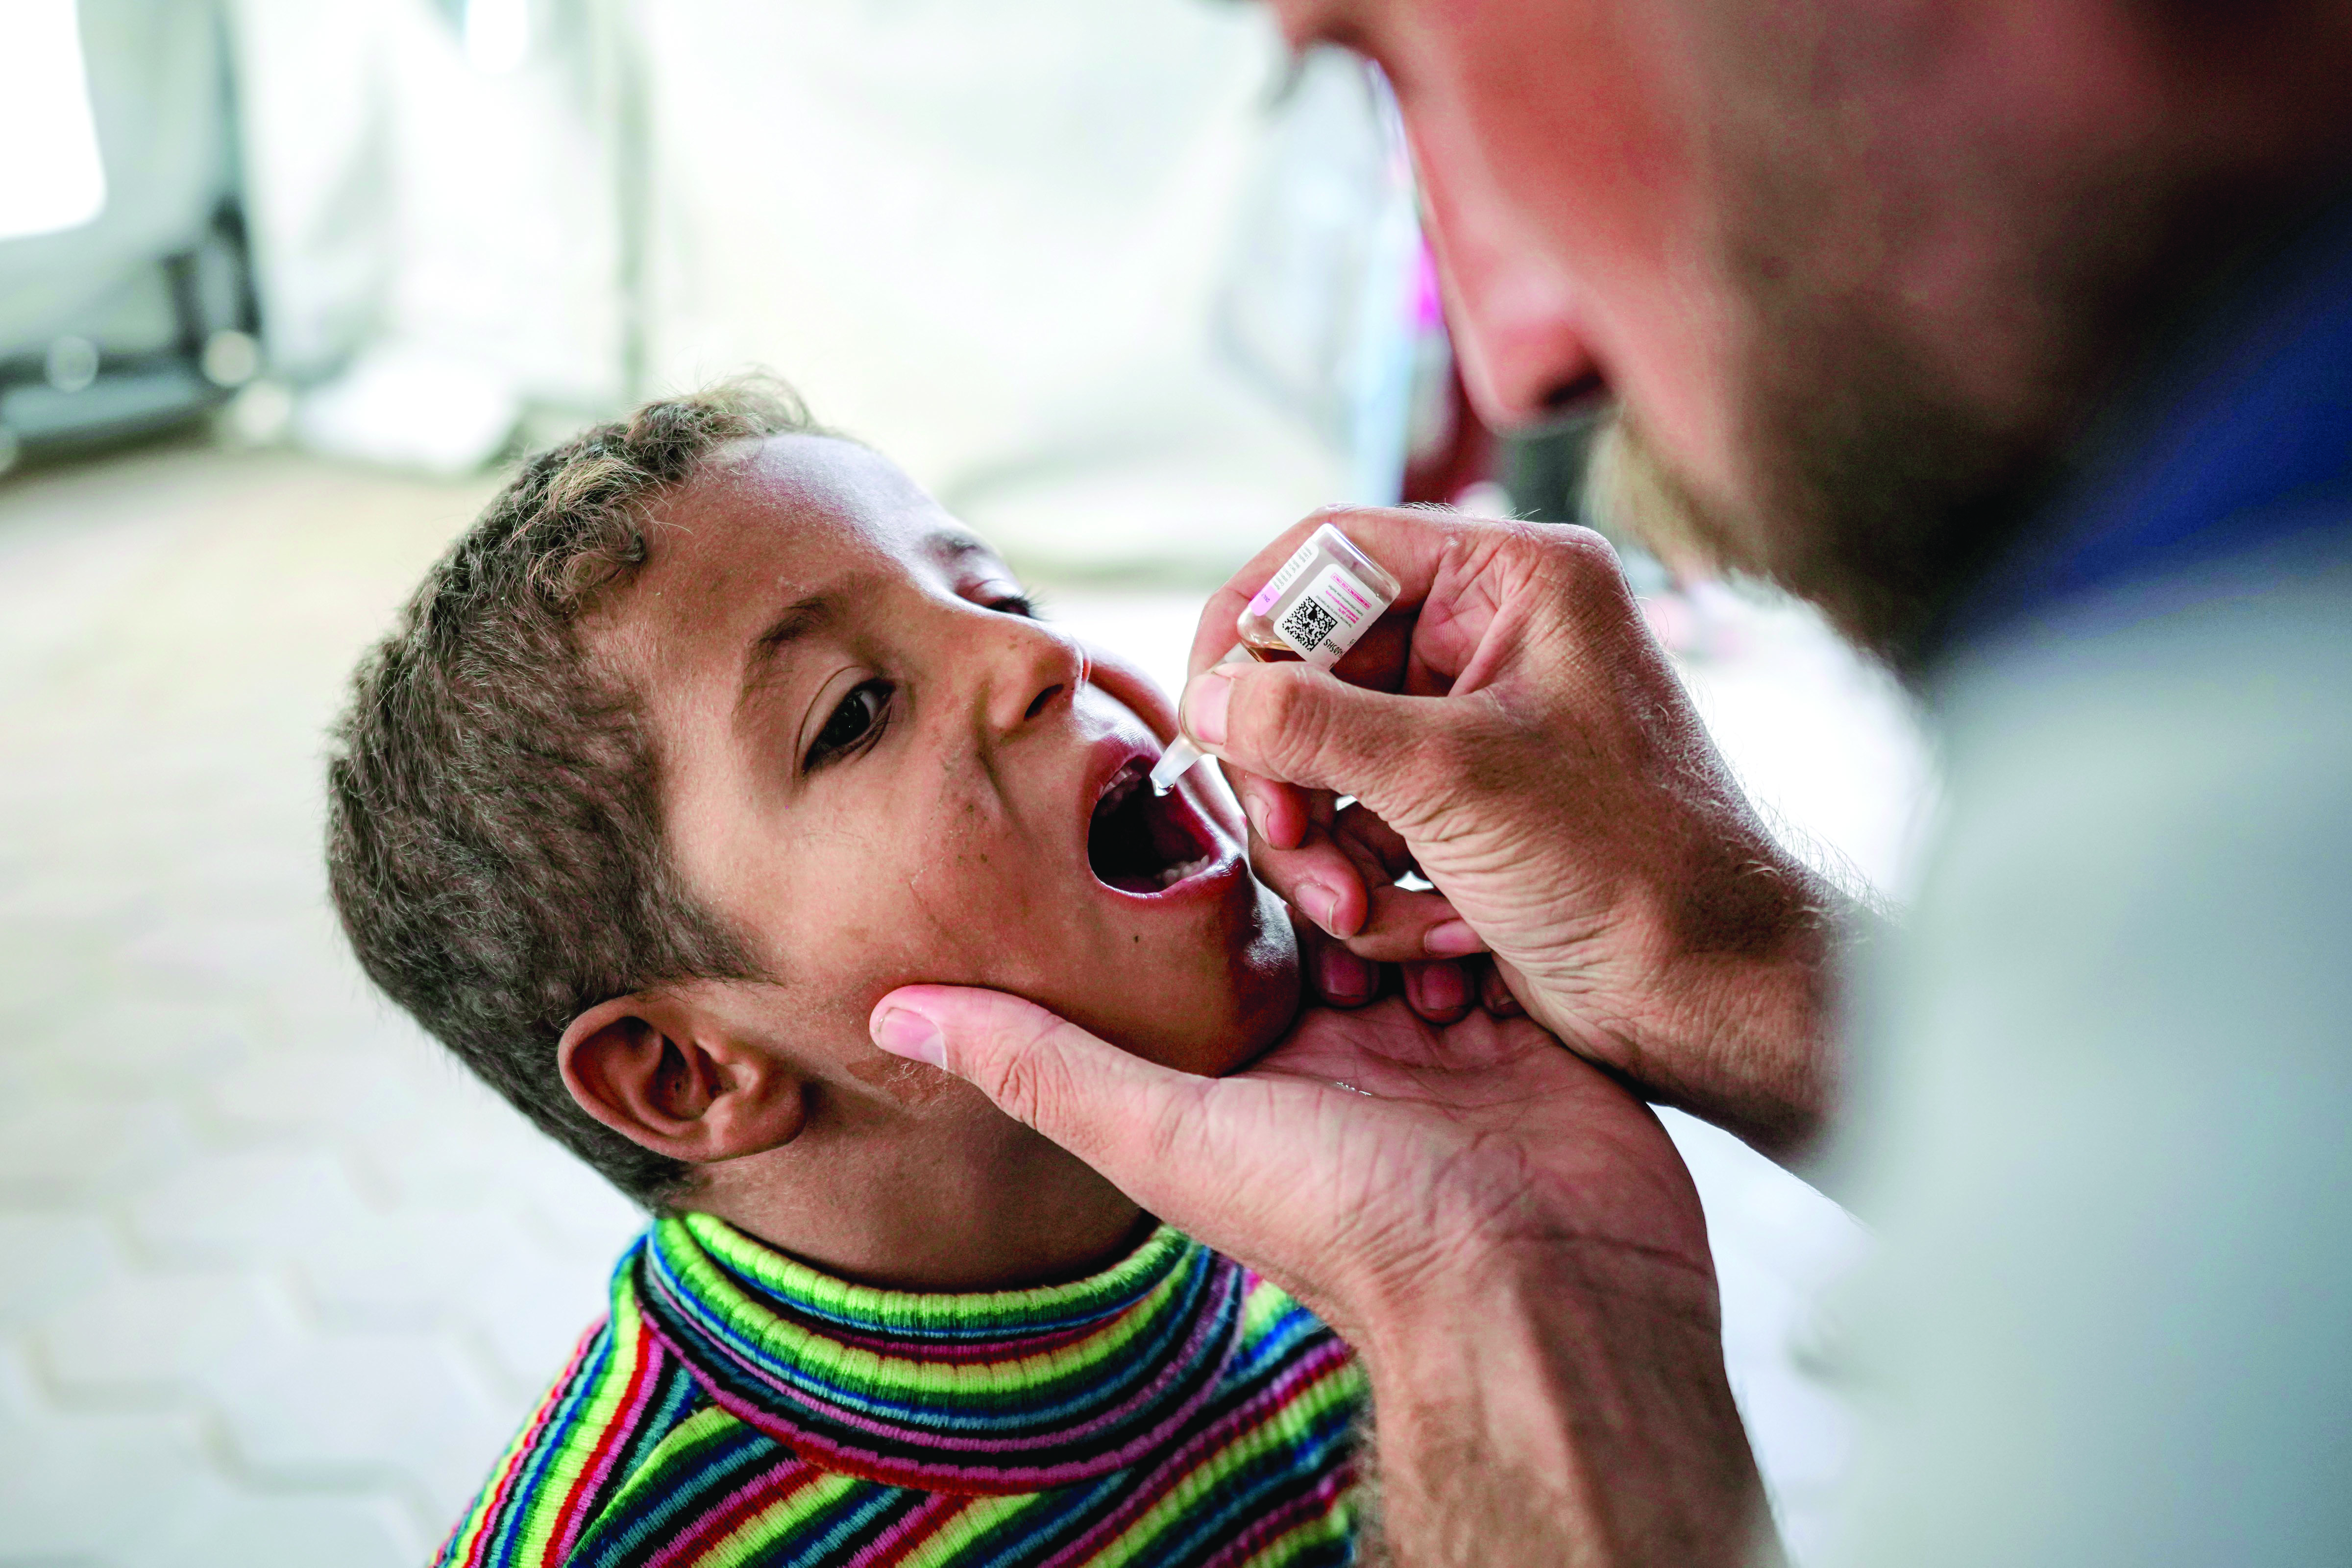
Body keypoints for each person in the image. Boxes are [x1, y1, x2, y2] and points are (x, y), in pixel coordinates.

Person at [865, 1, 2352, 1563]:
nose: (1520, 362)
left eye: (1412, 61)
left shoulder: (2221, 816)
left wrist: (1490, 1289)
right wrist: (1725, 963)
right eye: (850, 716)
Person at [324, 382, 1384, 1567]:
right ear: (689, 1072)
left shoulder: (1362, 1179)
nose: (1042, 654)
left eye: (999, 597)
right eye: (856, 713)